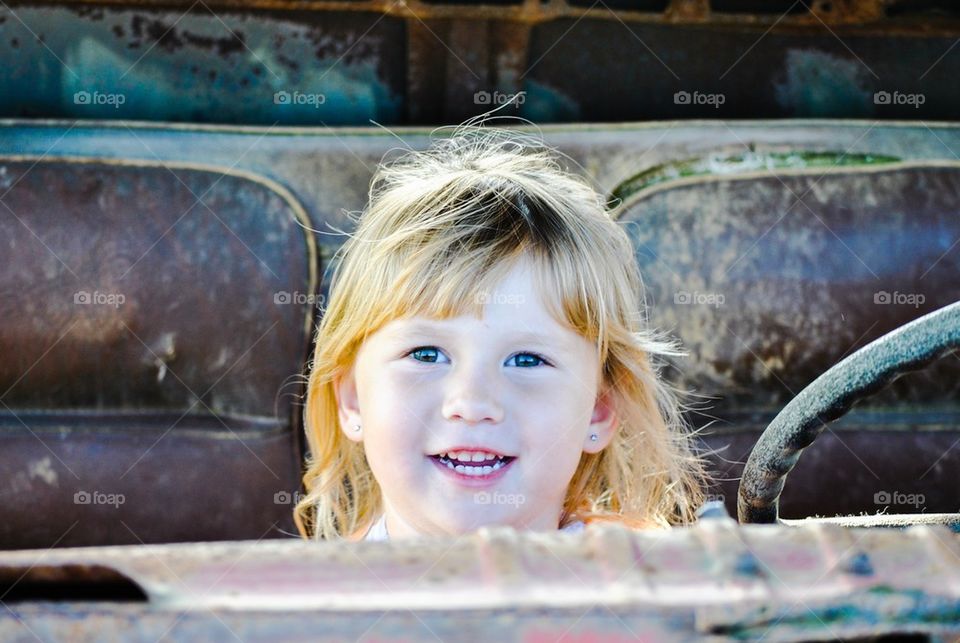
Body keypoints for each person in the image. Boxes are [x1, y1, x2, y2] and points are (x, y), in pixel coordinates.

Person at [294, 117, 709, 542]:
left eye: (527, 359)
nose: (472, 403)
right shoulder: (313, 598)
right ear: (352, 401)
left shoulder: (642, 587)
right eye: (425, 354)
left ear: (598, 410)